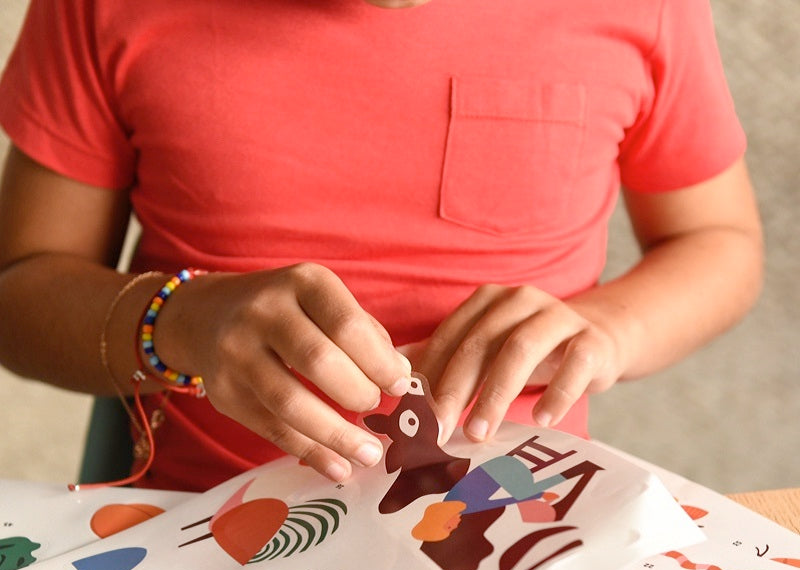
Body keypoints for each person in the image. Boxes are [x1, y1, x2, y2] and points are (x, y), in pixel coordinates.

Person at [0, 0, 763, 492]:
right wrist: (181, 321)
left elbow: (718, 240)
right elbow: (20, 292)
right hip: (189, 549)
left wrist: (613, 329)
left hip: (516, 534)